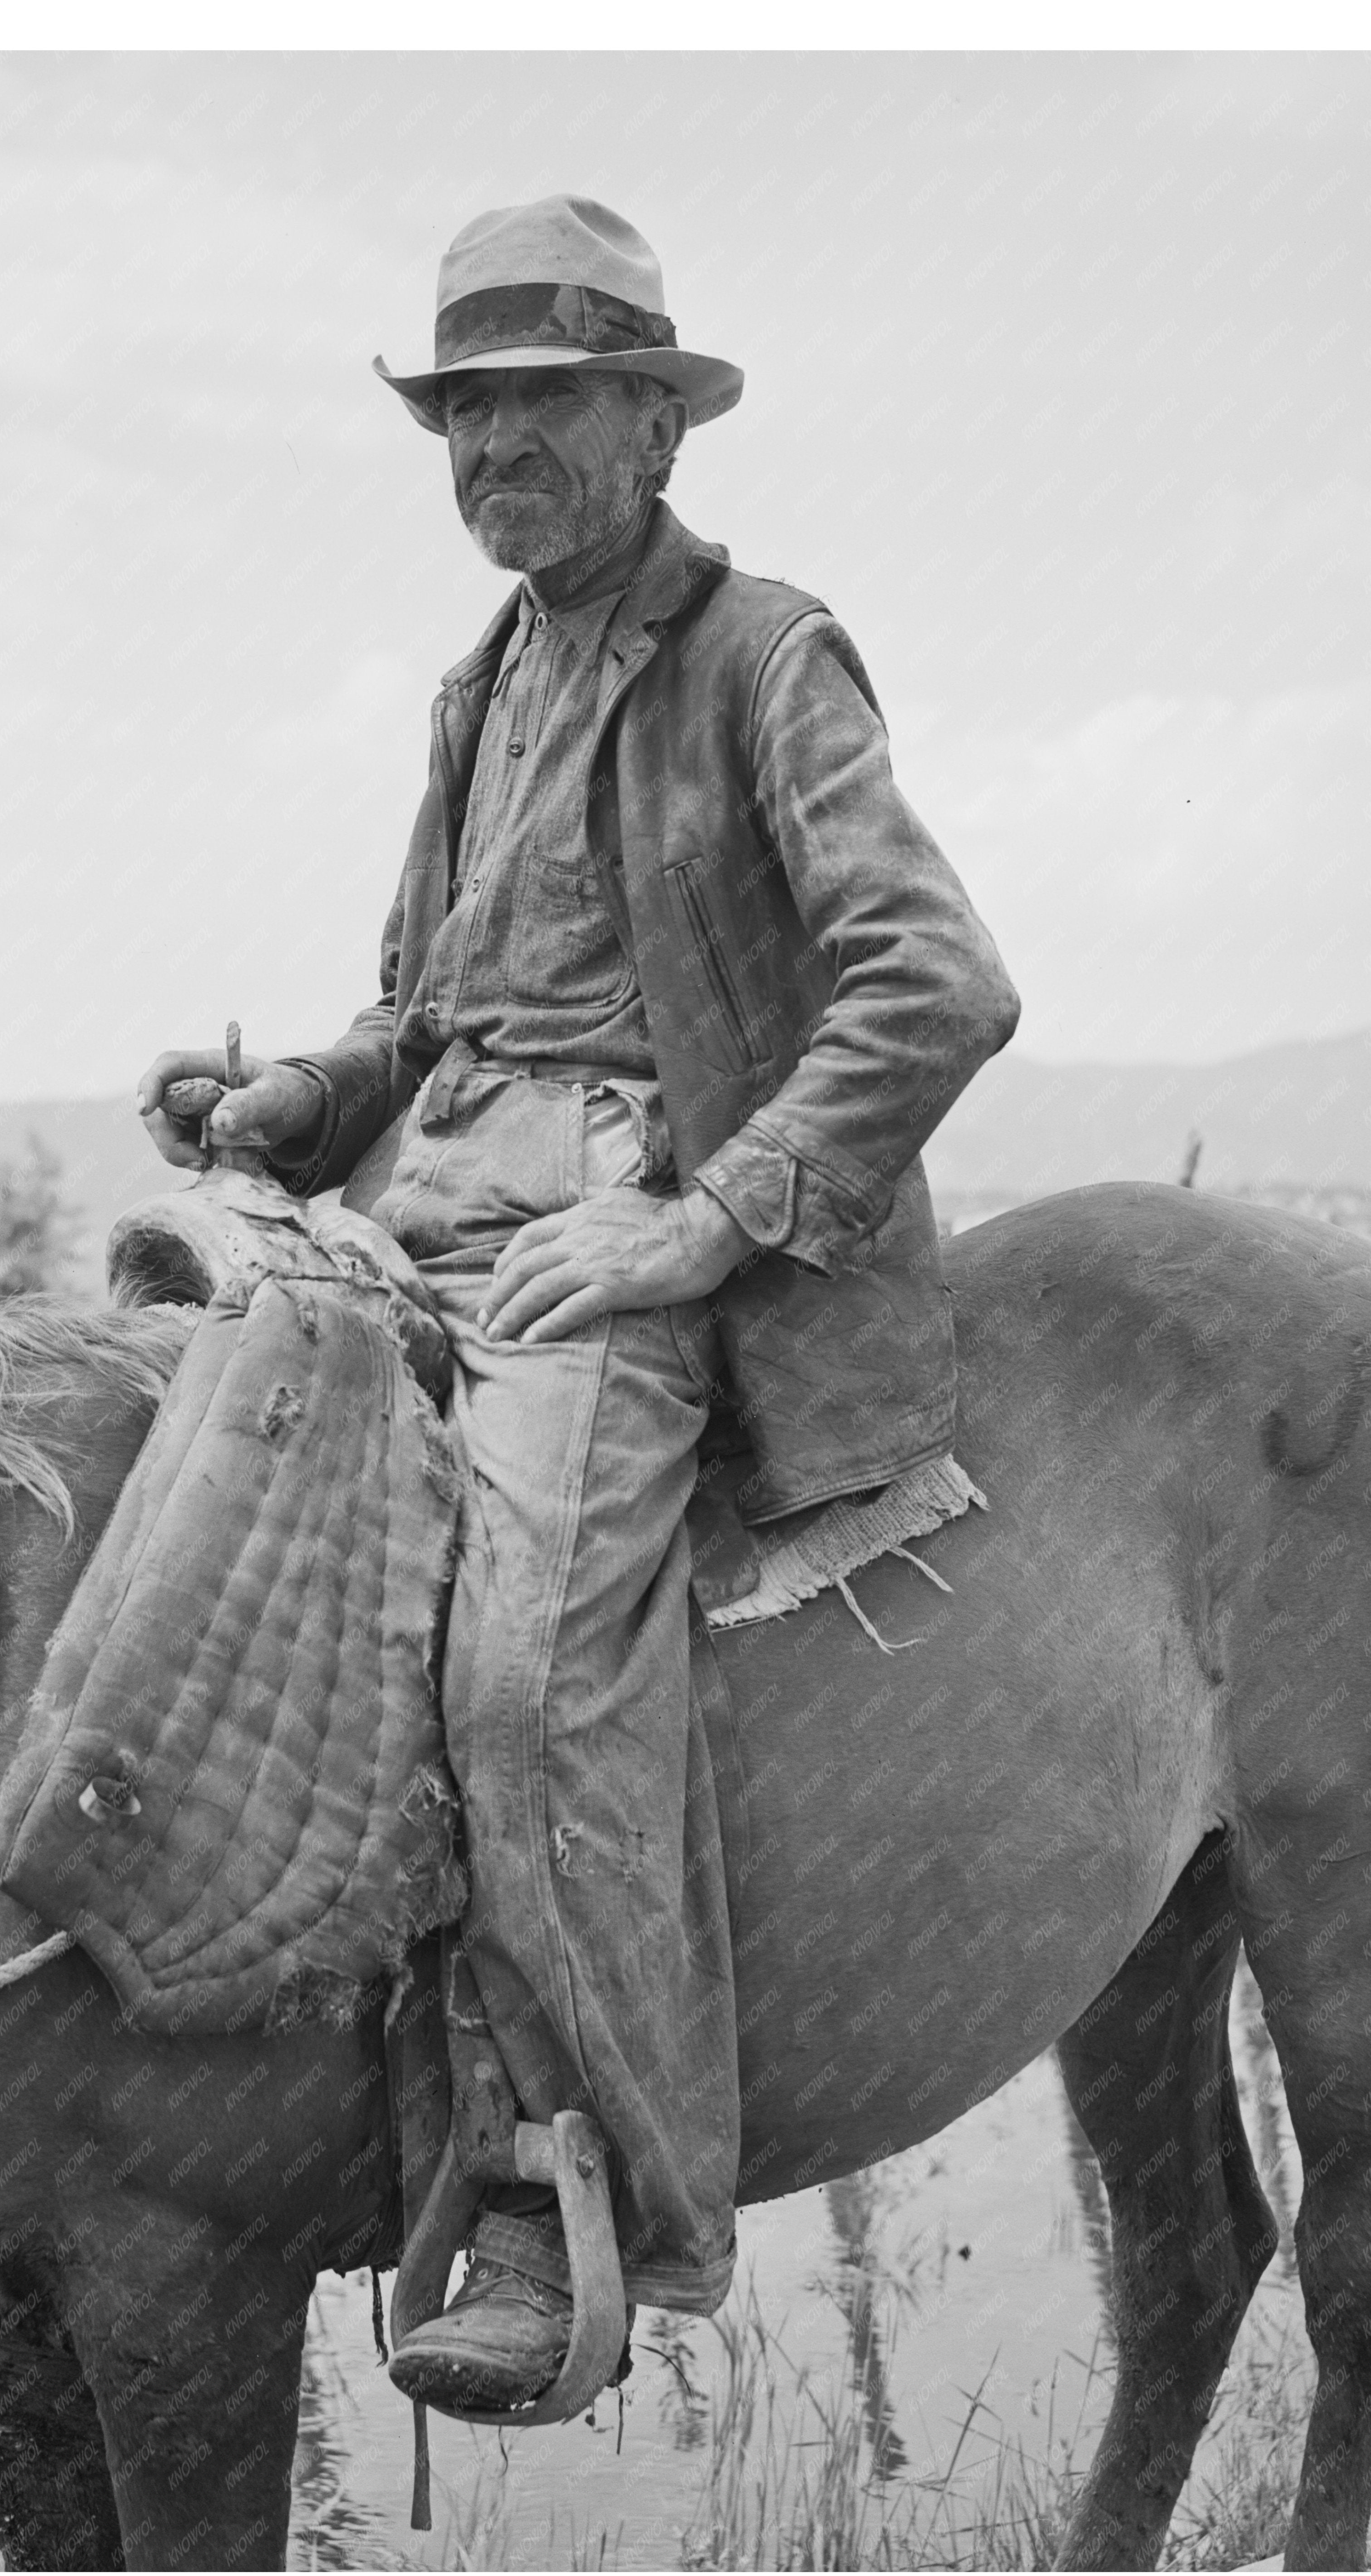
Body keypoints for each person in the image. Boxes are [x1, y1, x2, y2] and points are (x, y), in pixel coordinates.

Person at [138, 194, 1019, 2413]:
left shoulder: (764, 652)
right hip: (420, 1196)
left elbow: (940, 978)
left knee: (526, 1678)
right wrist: (288, 1099)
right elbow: (426, 1003)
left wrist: (705, 1224)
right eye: (464, 412)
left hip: (616, 1218)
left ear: (652, 417)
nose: (493, 448)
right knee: (166, 1534)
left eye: (539, 404)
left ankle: (585, 2193)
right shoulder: (486, 677)